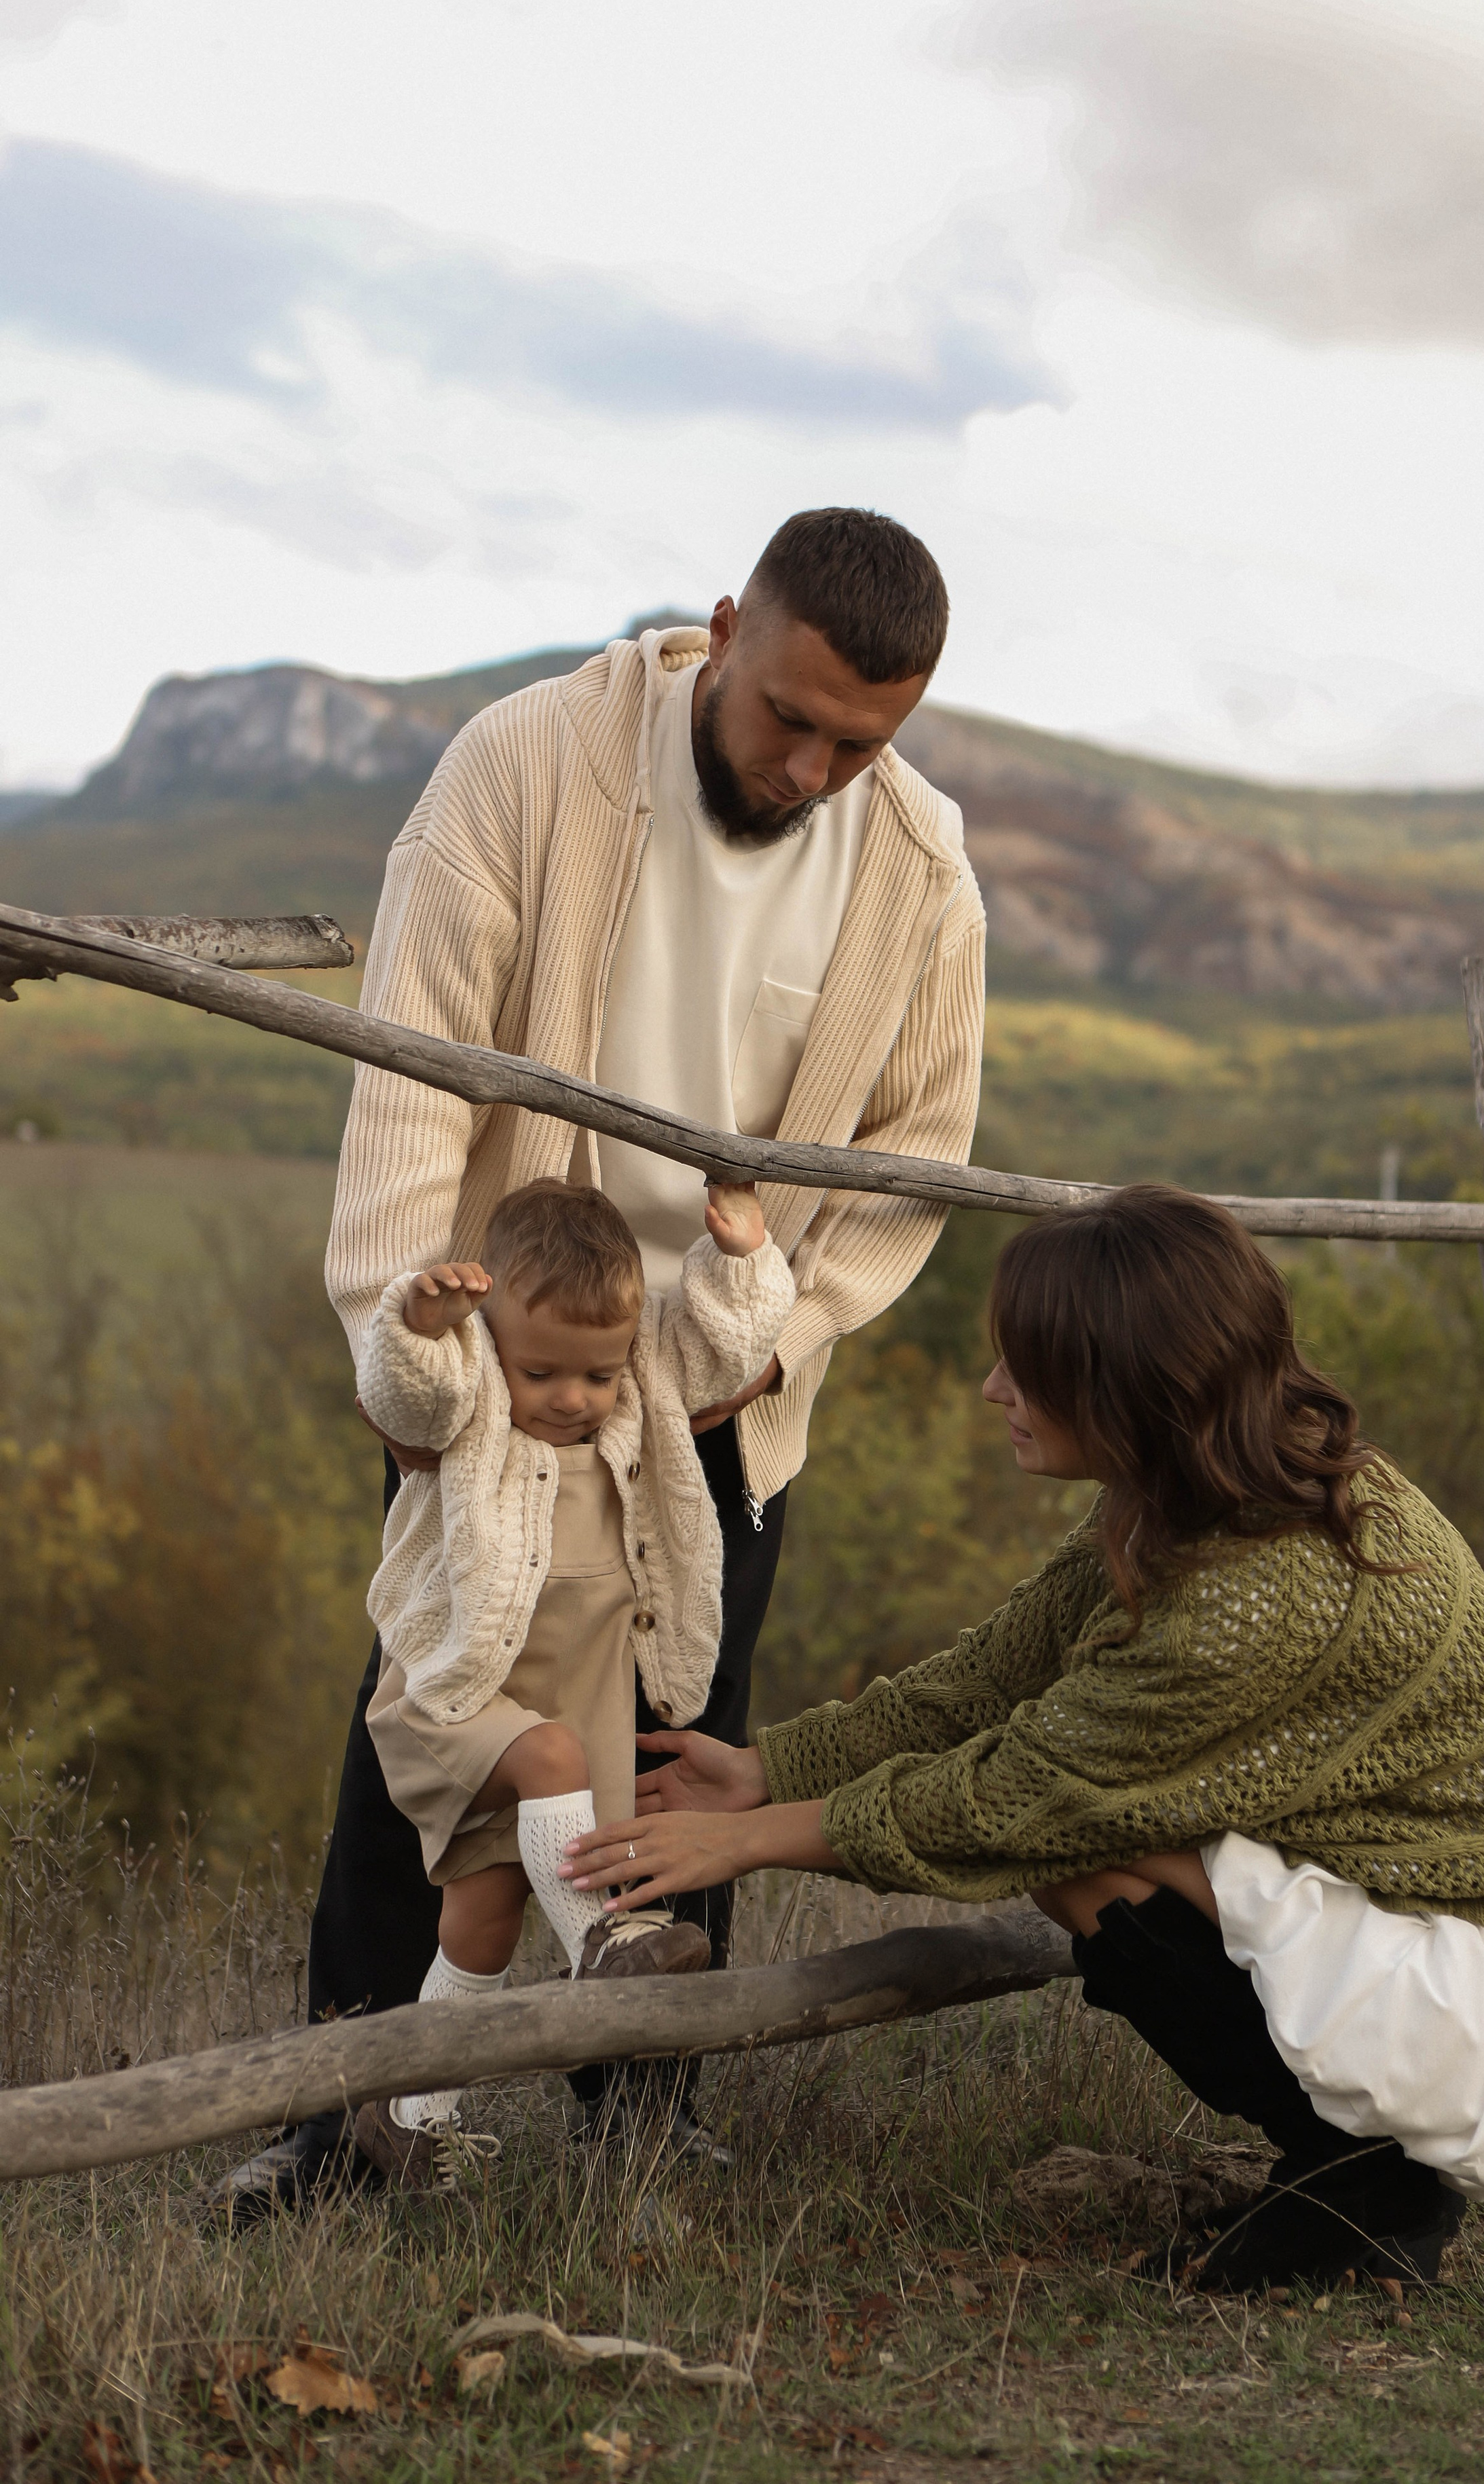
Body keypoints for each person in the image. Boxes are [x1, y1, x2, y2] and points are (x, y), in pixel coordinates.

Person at [215, 507, 984, 2219]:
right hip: (496, 1369)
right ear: (721, 627)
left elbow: (916, 1154)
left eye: (858, 743)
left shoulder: (918, 868)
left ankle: (646, 2117)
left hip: (714, 1381)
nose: (806, 765)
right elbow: (409, 1084)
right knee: (430, 1723)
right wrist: (397, 1351)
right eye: (784, 715)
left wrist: (773, 1342)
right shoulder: (525, 768)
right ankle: (342, 2120)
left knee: (679, 1739)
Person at [565, 1185, 1484, 2293]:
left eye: (1027, 1372)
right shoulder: (1217, 1475)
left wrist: (747, 1842)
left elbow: (1013, 1795)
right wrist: (771, 1767)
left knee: (1072, 1854)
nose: (993, 1390)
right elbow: (994, 1674)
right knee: (1078, 1843)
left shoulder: (1257, 1594)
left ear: (1124, 1388)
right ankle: (1348, 2160)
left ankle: (1366, 2185)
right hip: (1446, 1923)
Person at [347, 1173, 792, 2190]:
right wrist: (418, 1325)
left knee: (485, 1921)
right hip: (457, 1694)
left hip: (574, 1708)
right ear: (496, 1342)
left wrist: (743, 1260)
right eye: (542, 1370)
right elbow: (405, 1395)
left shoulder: (642, 1398)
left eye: (594, 1376)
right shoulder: (474, 1405)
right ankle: (604, 1937)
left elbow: (725, 1346)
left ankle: (414, 2119)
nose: (572, 1398)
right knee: (546, 1758)